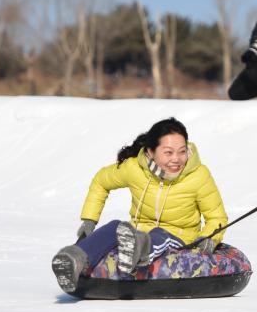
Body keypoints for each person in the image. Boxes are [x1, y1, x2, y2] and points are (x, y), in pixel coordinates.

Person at [51, 117, 228, 293]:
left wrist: (209, 238)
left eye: (182, 151)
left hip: (179, 235)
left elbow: (216, 217)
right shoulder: (134, 168)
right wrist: (90, 219)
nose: (177, 159)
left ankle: (138, 249)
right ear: (150, 152)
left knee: (160, 235)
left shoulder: (198, 175)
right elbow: (101, 181)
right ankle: (74, 259)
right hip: (137, 231)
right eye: (168, 152)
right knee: (115, 226)